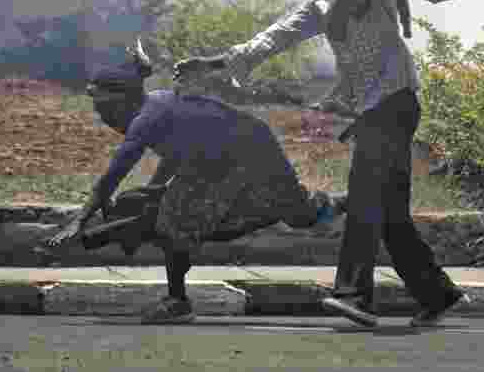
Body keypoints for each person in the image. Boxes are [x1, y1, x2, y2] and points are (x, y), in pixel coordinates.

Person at [173, 0, 467, 328]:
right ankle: (436, 293)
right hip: (373, 112)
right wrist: (213, 62)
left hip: (396, 105)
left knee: (365, 196)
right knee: (390, 215)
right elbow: (274, 36)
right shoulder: (325, 1)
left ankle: (355, 296)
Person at [46, 40, 342, 324]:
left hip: (248, 152)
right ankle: (340, 204)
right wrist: (156, 187)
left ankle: (178, 302)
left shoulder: (146, 119)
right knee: (293, 215)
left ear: (124, 100)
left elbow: (113, 175)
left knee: (181, 220)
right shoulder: (155, 104)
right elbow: (177, 150)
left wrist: (80, 220)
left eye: (104, 109)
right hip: (219, 161)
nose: (102, 116)